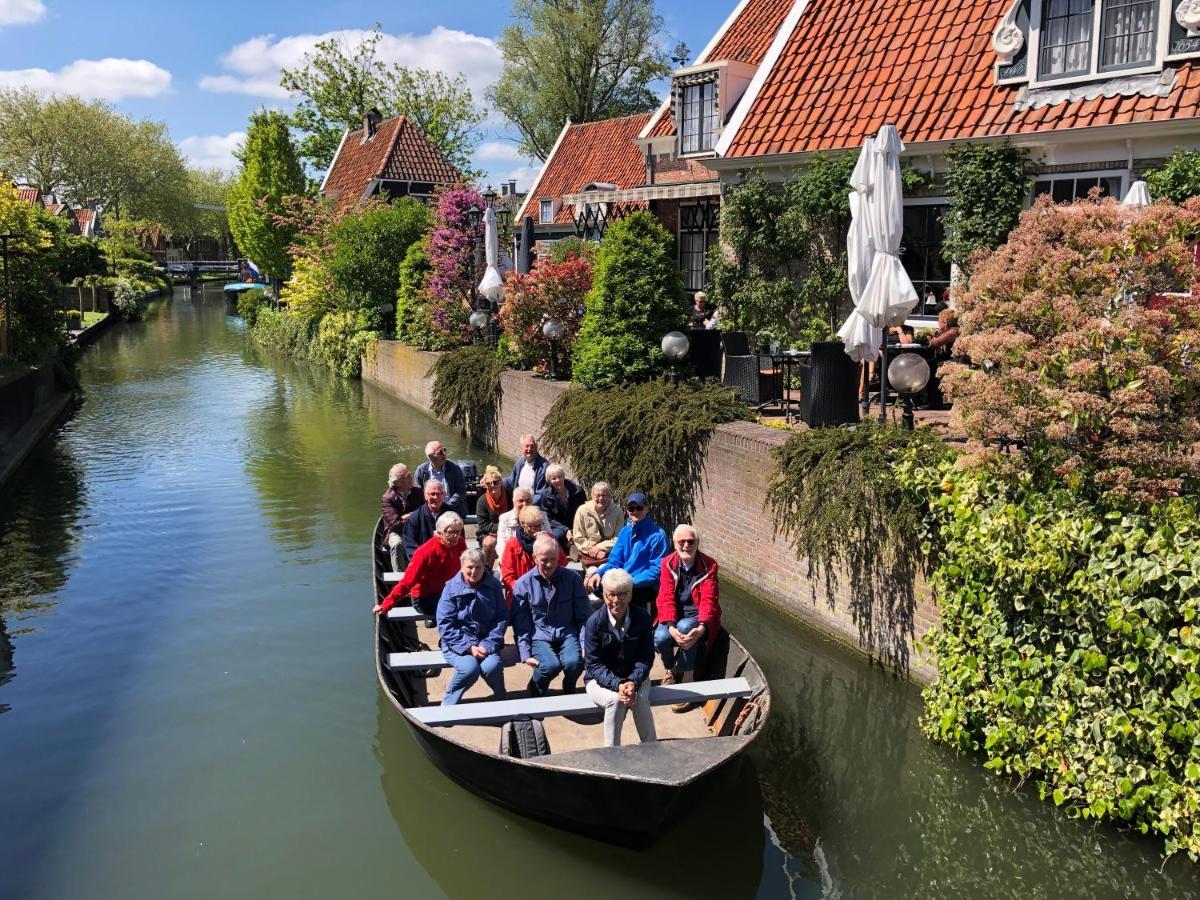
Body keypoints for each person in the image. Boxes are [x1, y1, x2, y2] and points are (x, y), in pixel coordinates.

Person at [583, 568, 657, 747]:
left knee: (638, 699)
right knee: (615, 700)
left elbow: (646, 657)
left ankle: (652, 748)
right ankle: (612, 751)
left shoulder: (642, 619)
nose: (616, 600)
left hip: (634, 676)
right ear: (604, 595)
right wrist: (618, 684)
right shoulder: (594, 623)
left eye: (622, 594)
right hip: (599, 680)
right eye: (611, 595)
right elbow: (594, 665)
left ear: (630, 595)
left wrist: (633, 680)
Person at [512, 533, 590, 696]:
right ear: (534, 558)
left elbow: (584, 616)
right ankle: (536, 688)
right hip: (539, 635)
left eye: (553, 559)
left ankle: (569, 686)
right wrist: (525, 653)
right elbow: (521, 623)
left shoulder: (572, 579)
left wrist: (584, 644)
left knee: (575, 662)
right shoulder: (523, 584)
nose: (549, 564)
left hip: (567, 631)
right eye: (544, 559)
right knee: (549, 666)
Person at [654, 524, 721, 712]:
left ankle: (687, 676)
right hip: (673, 615)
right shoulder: (667, 563)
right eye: (681, 542)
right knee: (659, 638)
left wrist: (702, 627)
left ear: (697, 543)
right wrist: (670, 627)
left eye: (690, 541)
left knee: (686, 628)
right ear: (674, 544)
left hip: (697, 615)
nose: (686, 545)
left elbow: (709, 600)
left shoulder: (710, 565)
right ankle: (671, 669)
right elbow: (665, 597)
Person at [436, 548, 509, 706]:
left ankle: (501, 697)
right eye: (470, 567)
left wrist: (487, 644)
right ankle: (448, 704)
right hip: (457, 642)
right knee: (469, 669)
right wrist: (469, 647)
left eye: (478, 567)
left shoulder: (494, 586)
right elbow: (445, 624)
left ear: (484, 567)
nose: (474, 571)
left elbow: (501, 618)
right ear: (462, 566)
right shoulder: (450, 588)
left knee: (492, 666)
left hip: (486, 640)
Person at [375, 511, 465, 626]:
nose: (455, 537)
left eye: (458, 532)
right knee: (455, 610)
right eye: (451, 533)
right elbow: (407, 582)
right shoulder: (425, 552)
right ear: (439, 533)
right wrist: (386, 605)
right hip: (425, 598)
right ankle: (448, 640)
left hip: (448, 591)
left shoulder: (460, 543)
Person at [586, 492, 669, 611]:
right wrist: (599, 573)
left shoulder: (658, 536)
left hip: (644, 584)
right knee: (597, 585)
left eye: (639, 508)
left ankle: (631, 620)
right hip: (623, 579)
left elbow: (656, 570)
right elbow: (615, 561)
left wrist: (629, 583)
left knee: (620, 594)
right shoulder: (625, 531)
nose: (635, 511)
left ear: (647, 509)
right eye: (631, 508)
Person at [501, 505, 567, 603]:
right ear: (523, 524)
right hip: (522, 594)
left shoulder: (549, 538)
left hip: (549, 590)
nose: (538, 529)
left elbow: (562, 562)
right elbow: (508, 577)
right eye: (533, 526)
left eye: (539, 525)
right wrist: (527, 591)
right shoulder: (512, 545)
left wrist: (548, 543)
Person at [571, 481, 623, 571]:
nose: (601, 498)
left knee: (607, 572)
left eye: (604, 495)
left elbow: (619, 537)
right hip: (588, 553)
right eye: (597, 495)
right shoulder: (582, 510)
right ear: (592, 495)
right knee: (592, 572)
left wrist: (600, 548)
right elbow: (578, 537)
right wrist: (593, 551)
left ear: (610, 496)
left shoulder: (617, 511)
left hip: (609, 553)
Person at [381, 463, 423, 572]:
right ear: (399, 482)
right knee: (397, 544)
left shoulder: (417, 492)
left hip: (417, 528)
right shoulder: (388, 498)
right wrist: (414, 515)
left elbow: (424, 512)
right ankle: (399, 578)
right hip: (396, 532)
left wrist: (407, 517)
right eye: (408, 476)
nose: (411, 478)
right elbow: (395, 525)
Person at [495, 486, 551, 563]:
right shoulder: (505, 518)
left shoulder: (542, 516)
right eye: (521, 501)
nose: (524, 504)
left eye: (528, 501)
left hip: (538, 560)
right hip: (512, 559)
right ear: (514, 501)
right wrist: (510, 561)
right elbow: (501, 545)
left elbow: (550, 539)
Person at [538, 464, 585, 551]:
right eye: (554, 478)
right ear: (549, 480)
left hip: (577, 524)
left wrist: (573, 529)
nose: (558, 480)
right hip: (558, 526)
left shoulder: (578, 491)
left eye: (560, 477)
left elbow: (583, 512)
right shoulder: (546, 496)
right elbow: (548, 518)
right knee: (555, 536)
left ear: (564, 476)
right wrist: (566, 530)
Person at [414, 440, 467, 516]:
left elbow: (461, 491)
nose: (444, 454)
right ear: (432, 457)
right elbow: (418, 494)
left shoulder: (454, 468)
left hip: (452, 509)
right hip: (429, 511)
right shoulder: (421, 471)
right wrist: (430, 507)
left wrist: (447, 506)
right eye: (440, 452)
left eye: (444, 450)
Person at [474, 465, 510, 568]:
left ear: (501, 482)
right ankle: (487, 571)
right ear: (485, 485)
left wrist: (504, 530)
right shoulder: (482, 501)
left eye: (495, 482)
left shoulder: (509, 495)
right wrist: (501, 528)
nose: (492, 485)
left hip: (508, 530)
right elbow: (484, 525)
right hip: (488, 534)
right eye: (488, 483)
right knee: (490, 542)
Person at [403, 480, 447, 561]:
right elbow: (410, 546)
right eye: (432, 494)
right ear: (425, 496)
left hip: (447, 561)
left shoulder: (452, 515)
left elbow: (458, 541)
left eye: (439, 494)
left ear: (444, 495)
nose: (436, 497)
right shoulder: (415, 518)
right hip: (423, 563)